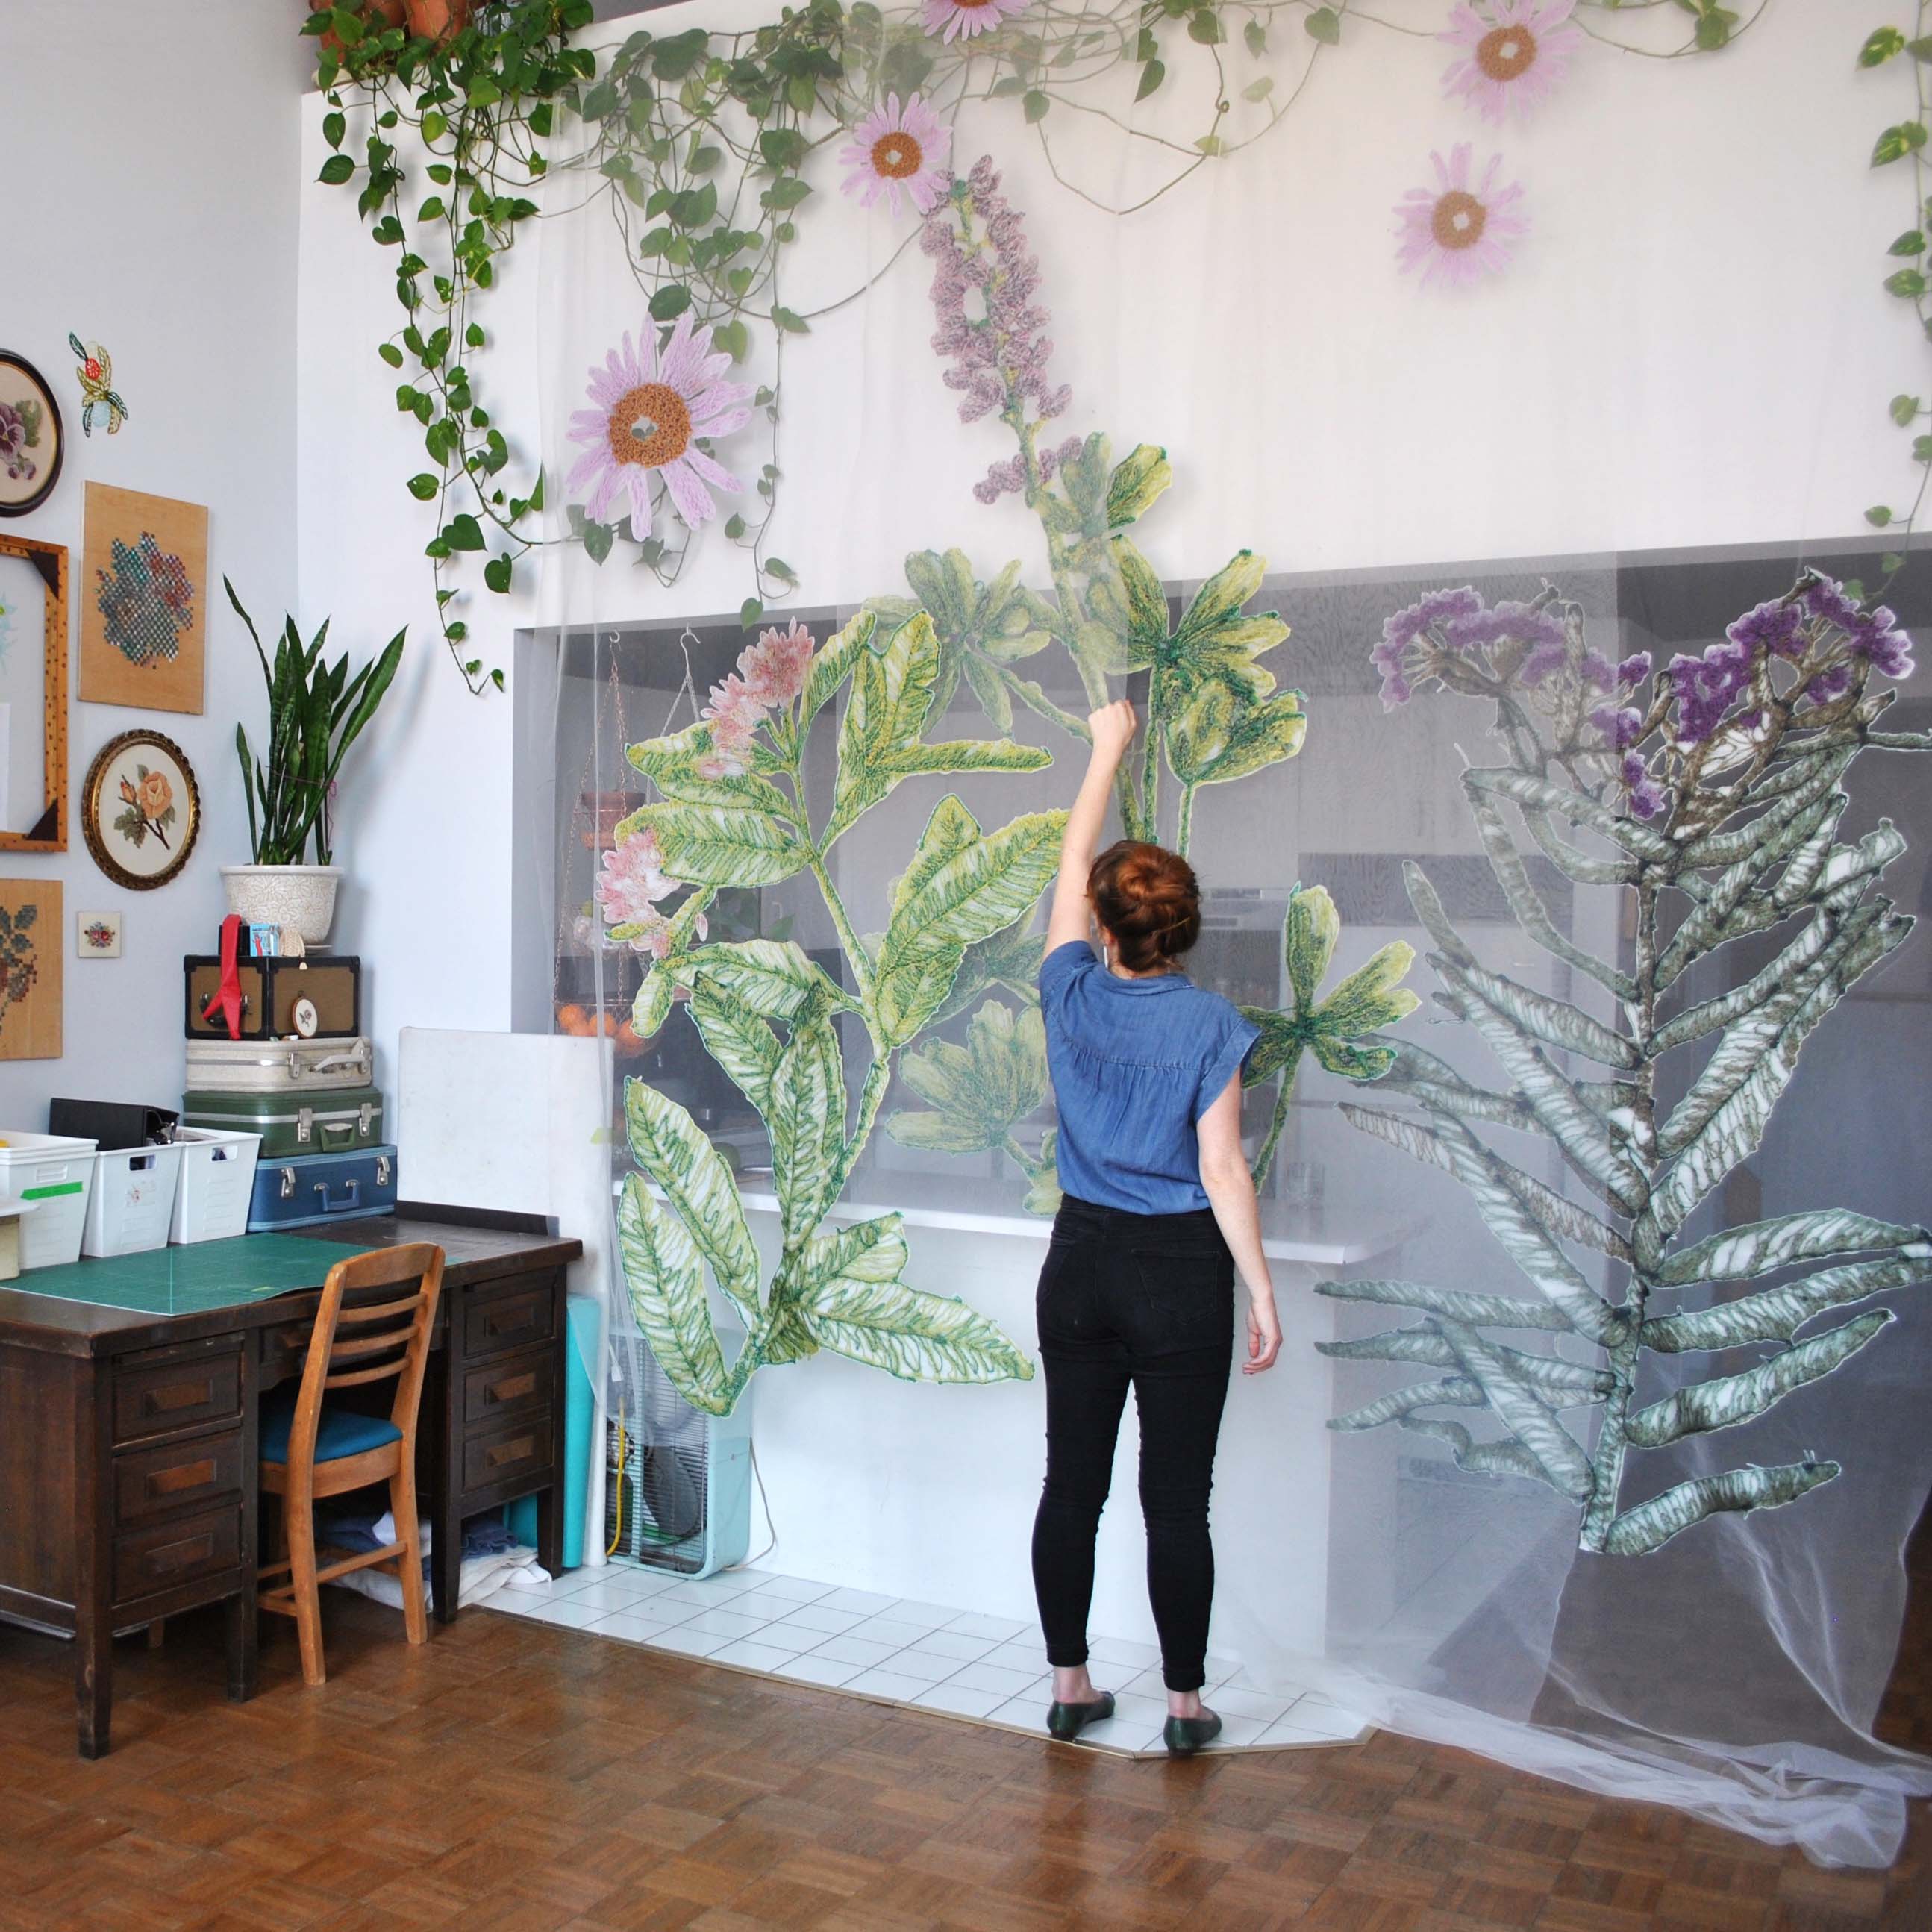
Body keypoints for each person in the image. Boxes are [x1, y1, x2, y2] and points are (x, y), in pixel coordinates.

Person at [1030, 698, 1282, 1757]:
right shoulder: (1212, 1025)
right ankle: (1184, 1707)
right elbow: (1222, 1167)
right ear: (1182, 927)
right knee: (1177, 1503)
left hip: (1079, 1263)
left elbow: (1071, 853)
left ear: (1102, 923)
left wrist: (1104, 747)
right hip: (1179, 1273)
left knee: (1070, 1487)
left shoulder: (1068, 989)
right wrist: (1260, 1290)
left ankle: (1071, 1685)